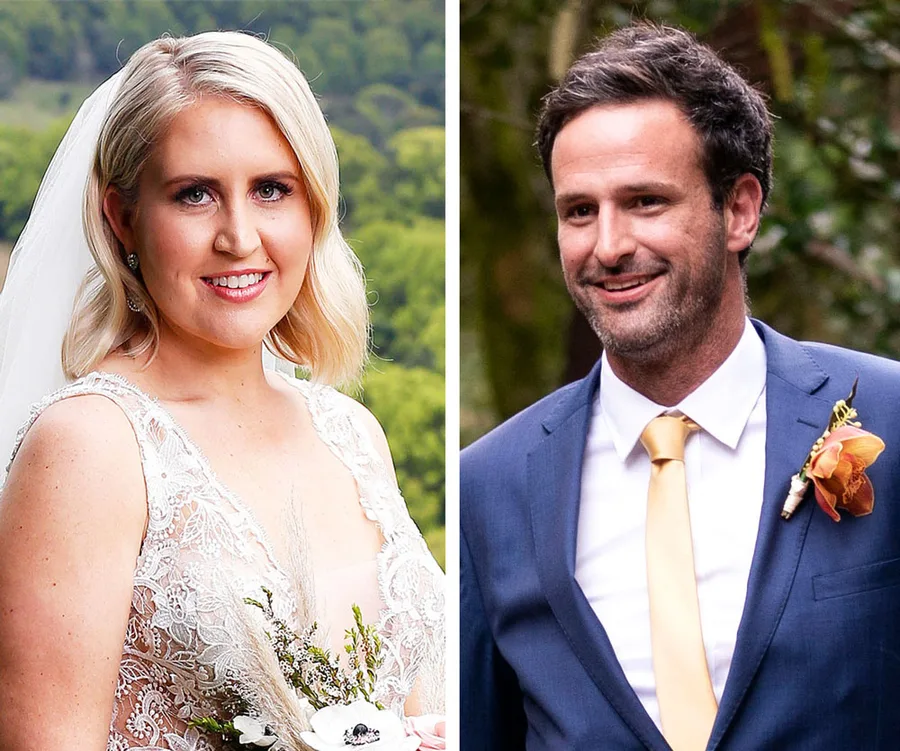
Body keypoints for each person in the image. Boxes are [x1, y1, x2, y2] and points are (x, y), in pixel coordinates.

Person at [460, 22, 900, 751]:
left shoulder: (887, 416)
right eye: (579, 211)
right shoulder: (488, 484)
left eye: (645, 202)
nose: (608, 246)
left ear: (740, 210)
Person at [0, 31, 444, 749]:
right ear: (122, 219)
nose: (239, 236)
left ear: (314, 207)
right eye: (194, 194)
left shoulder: (353, 434)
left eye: (272, 189)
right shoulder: (90, 448)